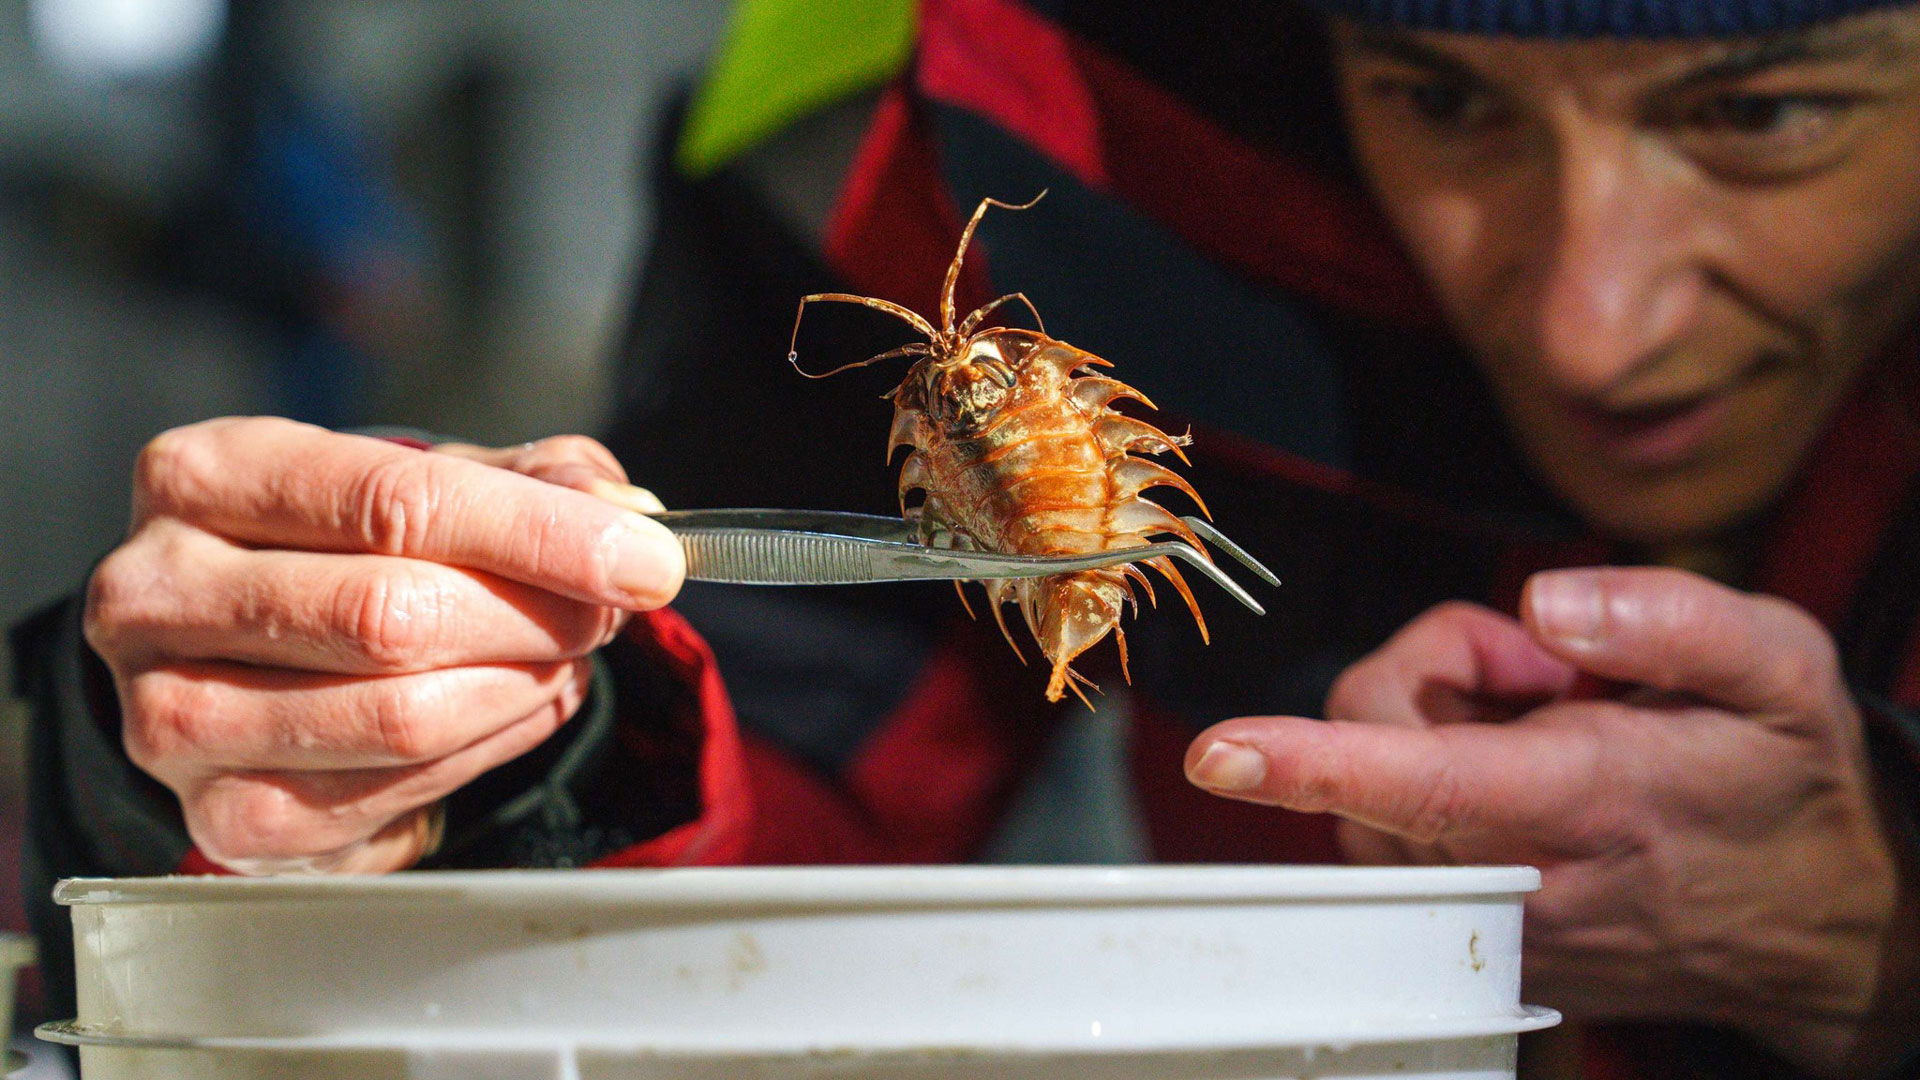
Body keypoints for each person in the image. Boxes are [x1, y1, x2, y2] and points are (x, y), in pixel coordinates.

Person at [13, 0, 1920, 1075]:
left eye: (1764, 115)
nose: (1595, 316)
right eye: (1437, 98)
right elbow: (773, 786)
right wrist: (416, 724)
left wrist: (1890, 936)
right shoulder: (921, 124)